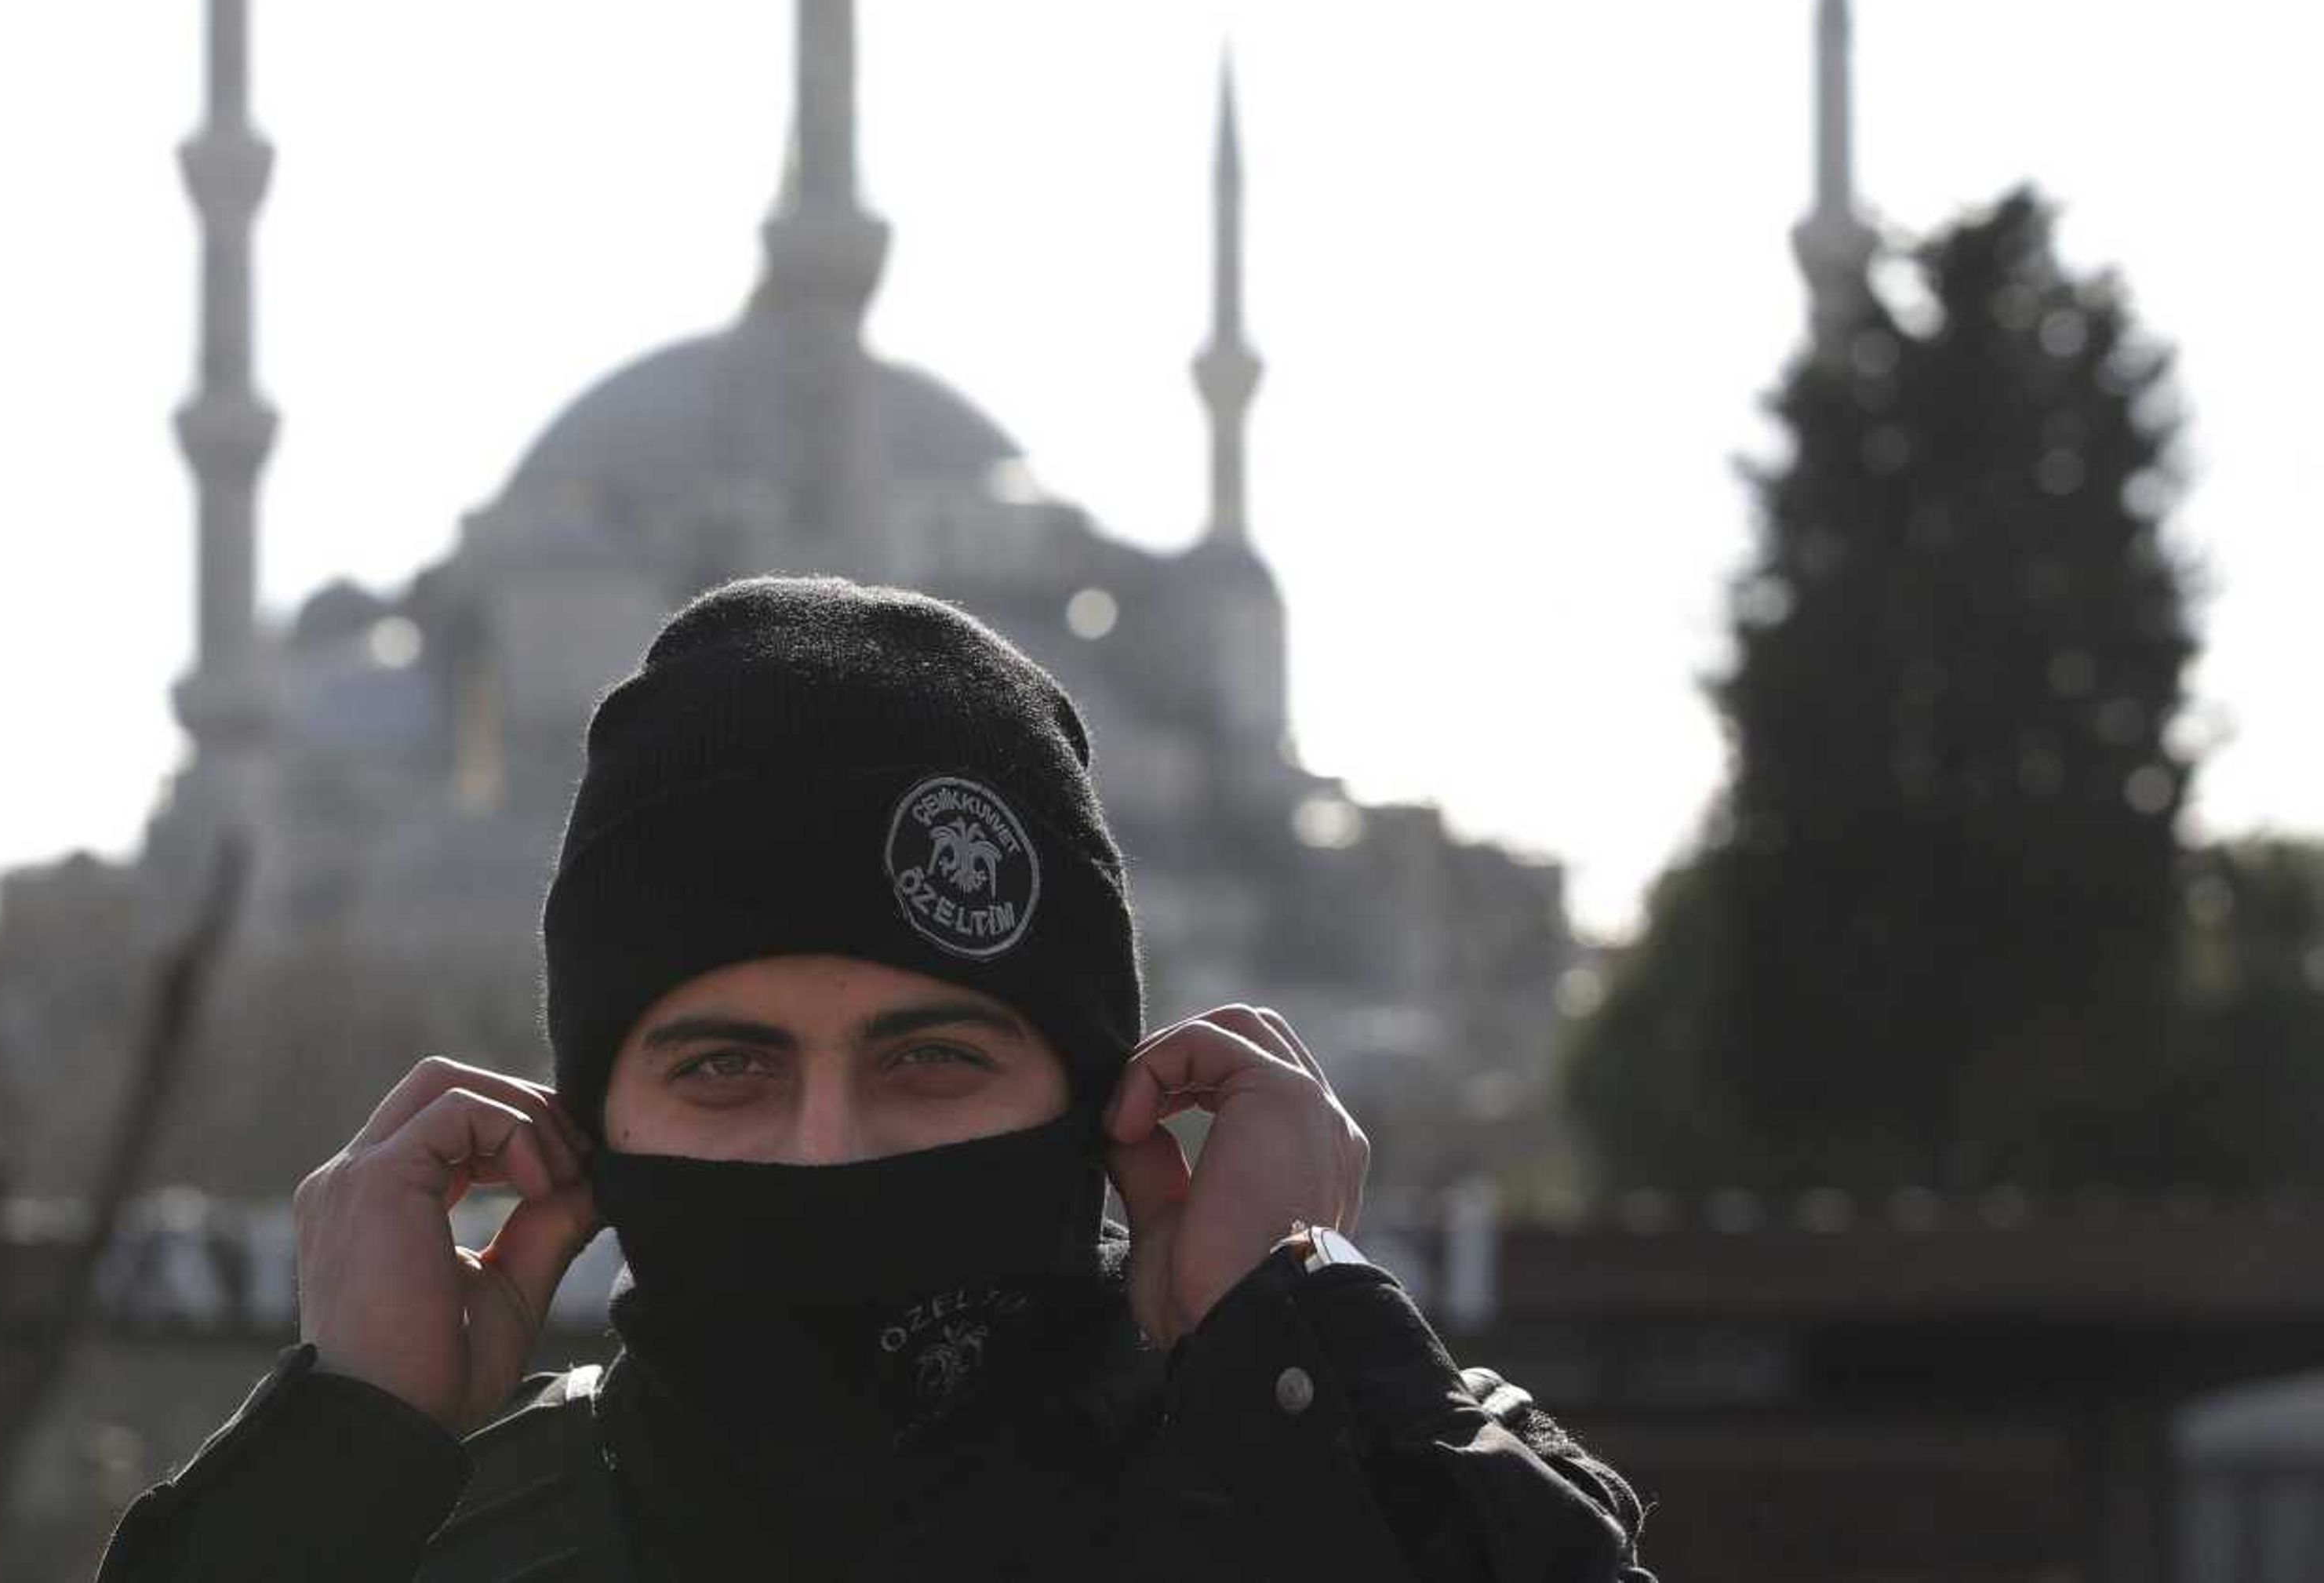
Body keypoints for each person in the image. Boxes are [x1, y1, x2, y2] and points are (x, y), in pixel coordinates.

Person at [94, 577, 1654, 1581]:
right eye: (724, 1065)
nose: (827, 1151)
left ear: (1103, 1101)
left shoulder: (1360, 1487)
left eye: (929, 1059)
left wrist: (1299, 1357)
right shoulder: (446, 1545)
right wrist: (347, 1446)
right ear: (582, 1129)